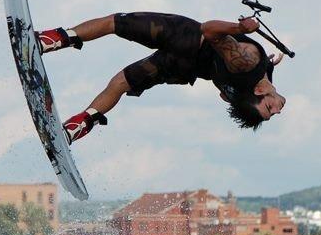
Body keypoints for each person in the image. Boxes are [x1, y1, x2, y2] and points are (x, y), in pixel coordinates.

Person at [36, 12, 287, 144]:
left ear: (258, 91)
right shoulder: (239, 91)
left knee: (115, 23)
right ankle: (75, 128)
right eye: (271, 111)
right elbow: (224, 92)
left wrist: (239, 29)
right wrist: (269, 66)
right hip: (183, 69)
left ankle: (50, 40)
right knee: (120, 84)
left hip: (185, 37)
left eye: (269, 109)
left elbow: (208, 29)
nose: (277, 111)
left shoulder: (247, 60)